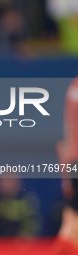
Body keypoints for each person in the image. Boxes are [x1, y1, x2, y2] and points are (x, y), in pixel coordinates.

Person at [53, 78, 78, 255]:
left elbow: (66, 138)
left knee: (70, 221)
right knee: (72, 226)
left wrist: (66, 170)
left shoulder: (73, 86)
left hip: (73, 162)